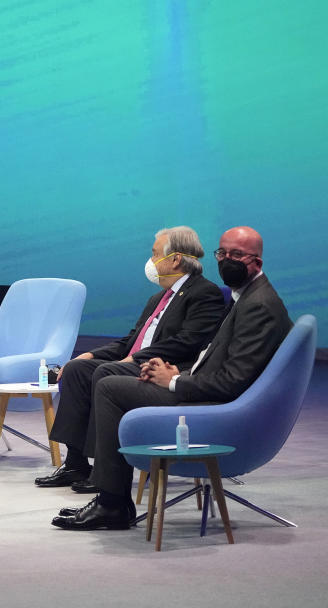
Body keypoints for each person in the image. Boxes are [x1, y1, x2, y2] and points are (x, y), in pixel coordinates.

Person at [52, 226, 292, 530]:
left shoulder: (258, 306)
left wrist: (175, 381)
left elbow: (231, 380)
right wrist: (180, 374)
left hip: (215, 404)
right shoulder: (244, 297)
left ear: (257, 260)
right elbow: (214, 356)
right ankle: (97, 484)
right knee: (96, 375)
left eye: (237, 255)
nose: (226, 260)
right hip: (197, 382)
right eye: (223, 253)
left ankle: (112, 503)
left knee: (110, 386)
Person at [37, 226, 225, 491]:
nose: (151, 261)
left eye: (155, 254)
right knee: (79, 369)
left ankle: (104, 472)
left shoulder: (204, 293)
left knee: (105, 373)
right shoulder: (158, 298)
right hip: (133, 361)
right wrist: (90, 354)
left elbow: (187, 342)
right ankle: (76, 464)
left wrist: (134, 358)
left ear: (175, 259)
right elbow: (130, 340)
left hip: (161, 369)